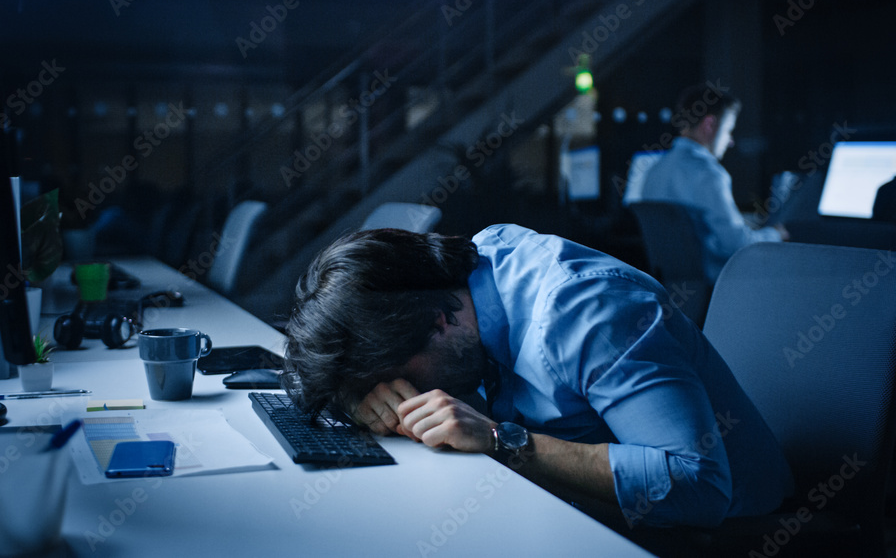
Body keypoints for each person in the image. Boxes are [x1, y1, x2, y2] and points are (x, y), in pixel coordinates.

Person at [283, 224, 793, 531]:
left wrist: (504, 441)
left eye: (399, 378)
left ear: (438, 322)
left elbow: (701, 486)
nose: (402, 395)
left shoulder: (588, 313)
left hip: (723, 526)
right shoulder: (458, 287)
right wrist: (354, 399)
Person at [636, 83, 788, 284]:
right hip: (717, 290)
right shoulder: (709, 174)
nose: (730, 141)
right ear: (709, 125)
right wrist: (776, 233)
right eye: (728, 131)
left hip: (672, 289)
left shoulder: (654, 170)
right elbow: (737, 245)